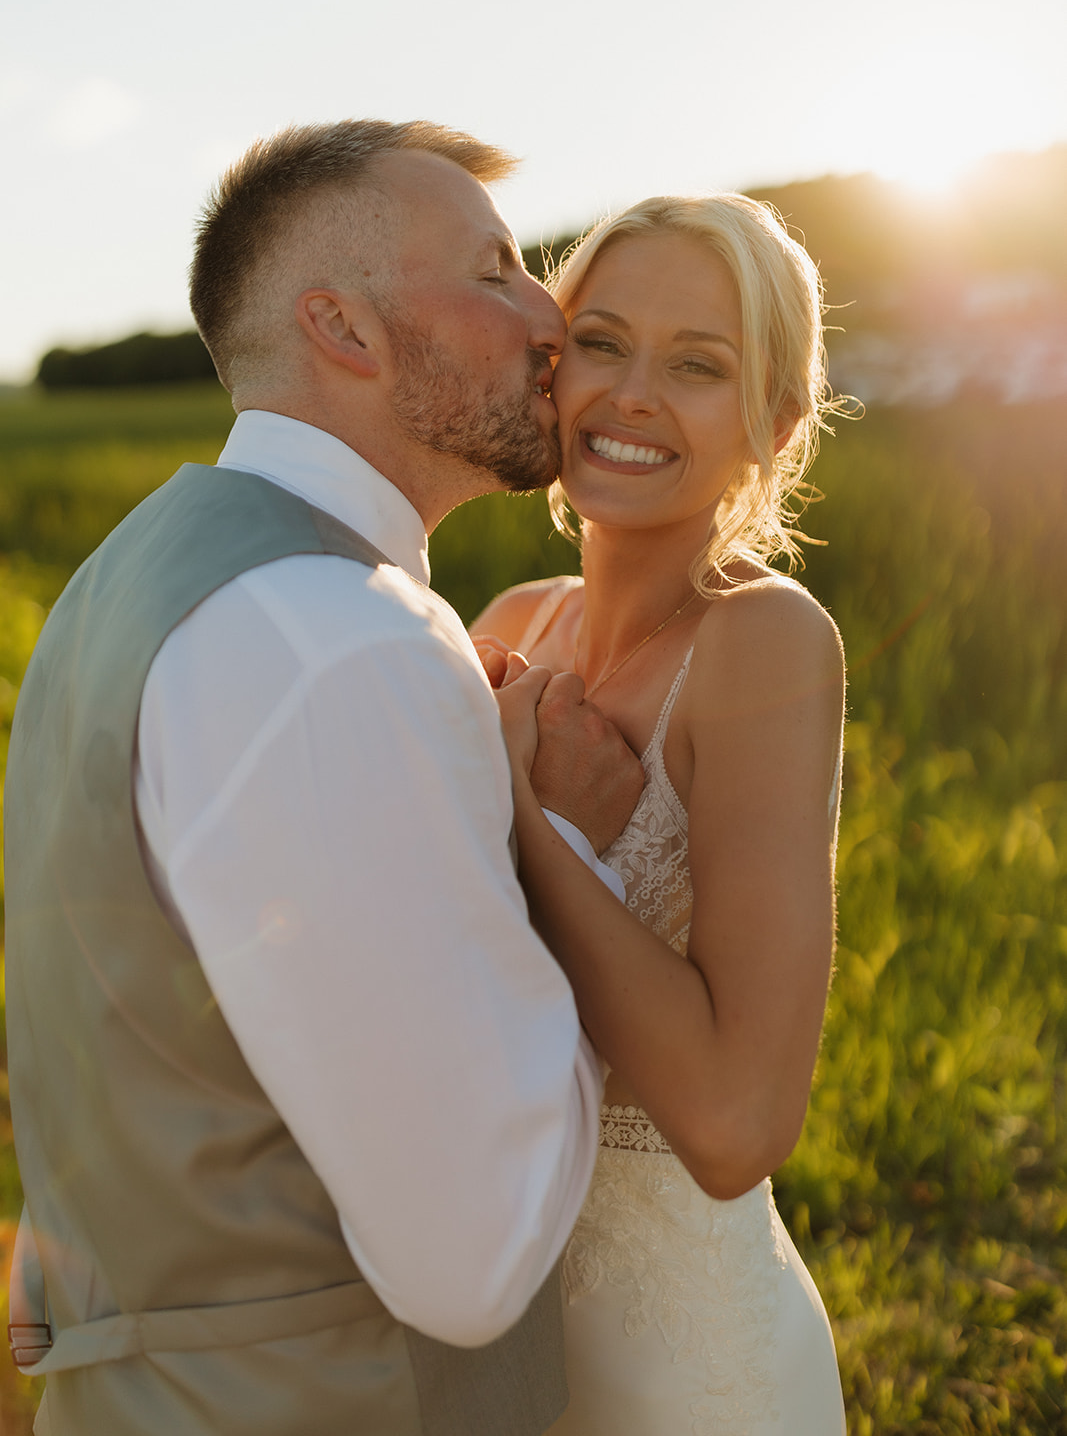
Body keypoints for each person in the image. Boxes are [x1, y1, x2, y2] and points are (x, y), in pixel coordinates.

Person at [2, 120, 645, 1436]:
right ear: (341, 331)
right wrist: (564, 846)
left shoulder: (129, 578)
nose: (552, 318)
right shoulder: (336, 641)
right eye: (495, 271)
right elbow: (473, 1257)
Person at [472, 193, 848, 1434]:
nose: (631, 393)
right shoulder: (506, 628)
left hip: (684, 1373)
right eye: (599, 340)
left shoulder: (763, 642)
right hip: (484, 1324)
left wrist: (533, 830)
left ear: (772, 424)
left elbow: (737, 1125)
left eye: (697, 365)